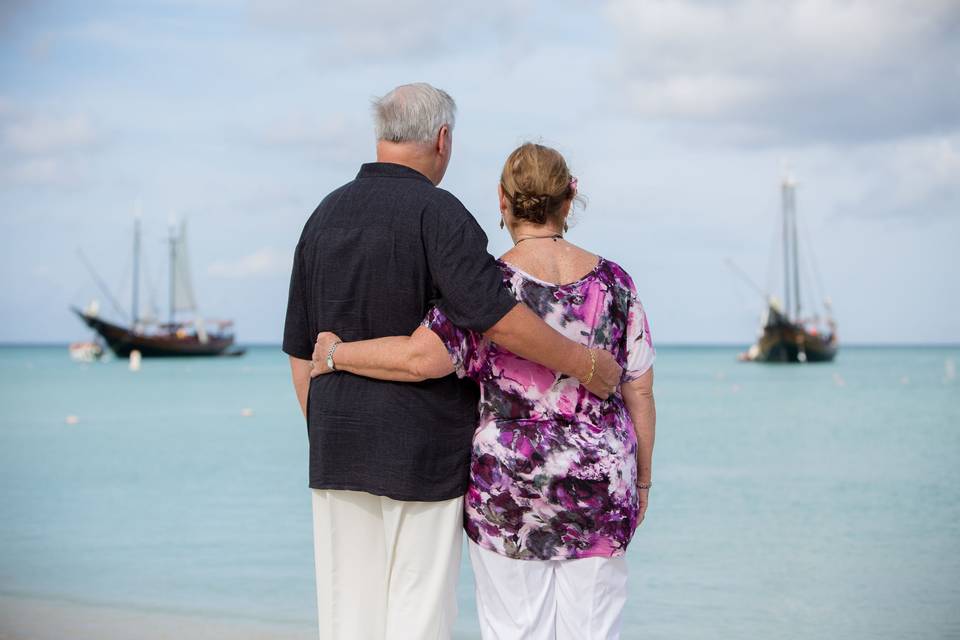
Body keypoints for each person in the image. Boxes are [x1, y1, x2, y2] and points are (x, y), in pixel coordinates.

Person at [281, 85, 623, 640]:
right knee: (419, 616)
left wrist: (326, 431)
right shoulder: (441, 216)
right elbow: (499, 318)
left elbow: (301, 351)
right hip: (425, 452)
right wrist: (585, 363)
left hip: (337, 448)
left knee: (348, 618)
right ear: (442, 140)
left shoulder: (322, 217)